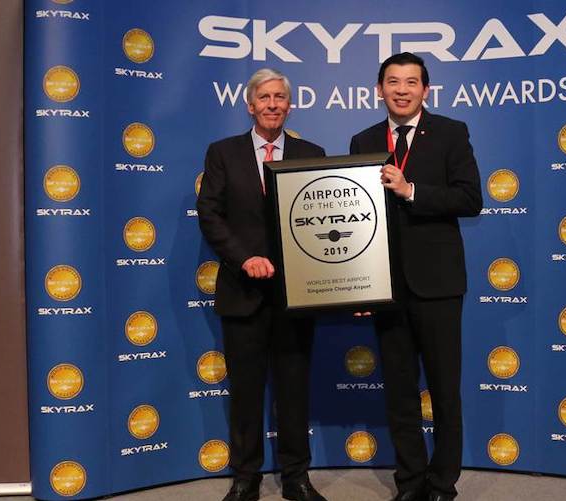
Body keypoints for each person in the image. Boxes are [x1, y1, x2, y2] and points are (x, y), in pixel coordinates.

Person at [349, 52, 482, 501]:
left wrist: (412, 191)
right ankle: (409, 482)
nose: (401, 89)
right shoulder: (363, 139)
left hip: (439, 285)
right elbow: (358, 220)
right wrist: (361, 284)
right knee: (400, 392)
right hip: (386, 288)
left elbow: (470, 199)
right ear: (379, 89)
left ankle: (443, 483)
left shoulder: (450, 132)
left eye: (411, 82)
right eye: (392, 81)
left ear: (426, 90)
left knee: (445, 392)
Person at [198, 68, 327, 501]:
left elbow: (322, 220)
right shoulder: (222, 152)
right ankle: (246, 477)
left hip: (297, 295)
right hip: (243, 292)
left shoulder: (312, 152)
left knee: (294, 391)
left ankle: (297, 477)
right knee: (246, 393)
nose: (272, 104)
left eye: (280, 98)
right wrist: (244, 258)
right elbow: (210, 214)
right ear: (250, 105)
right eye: (264, 98)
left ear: (289, 105)